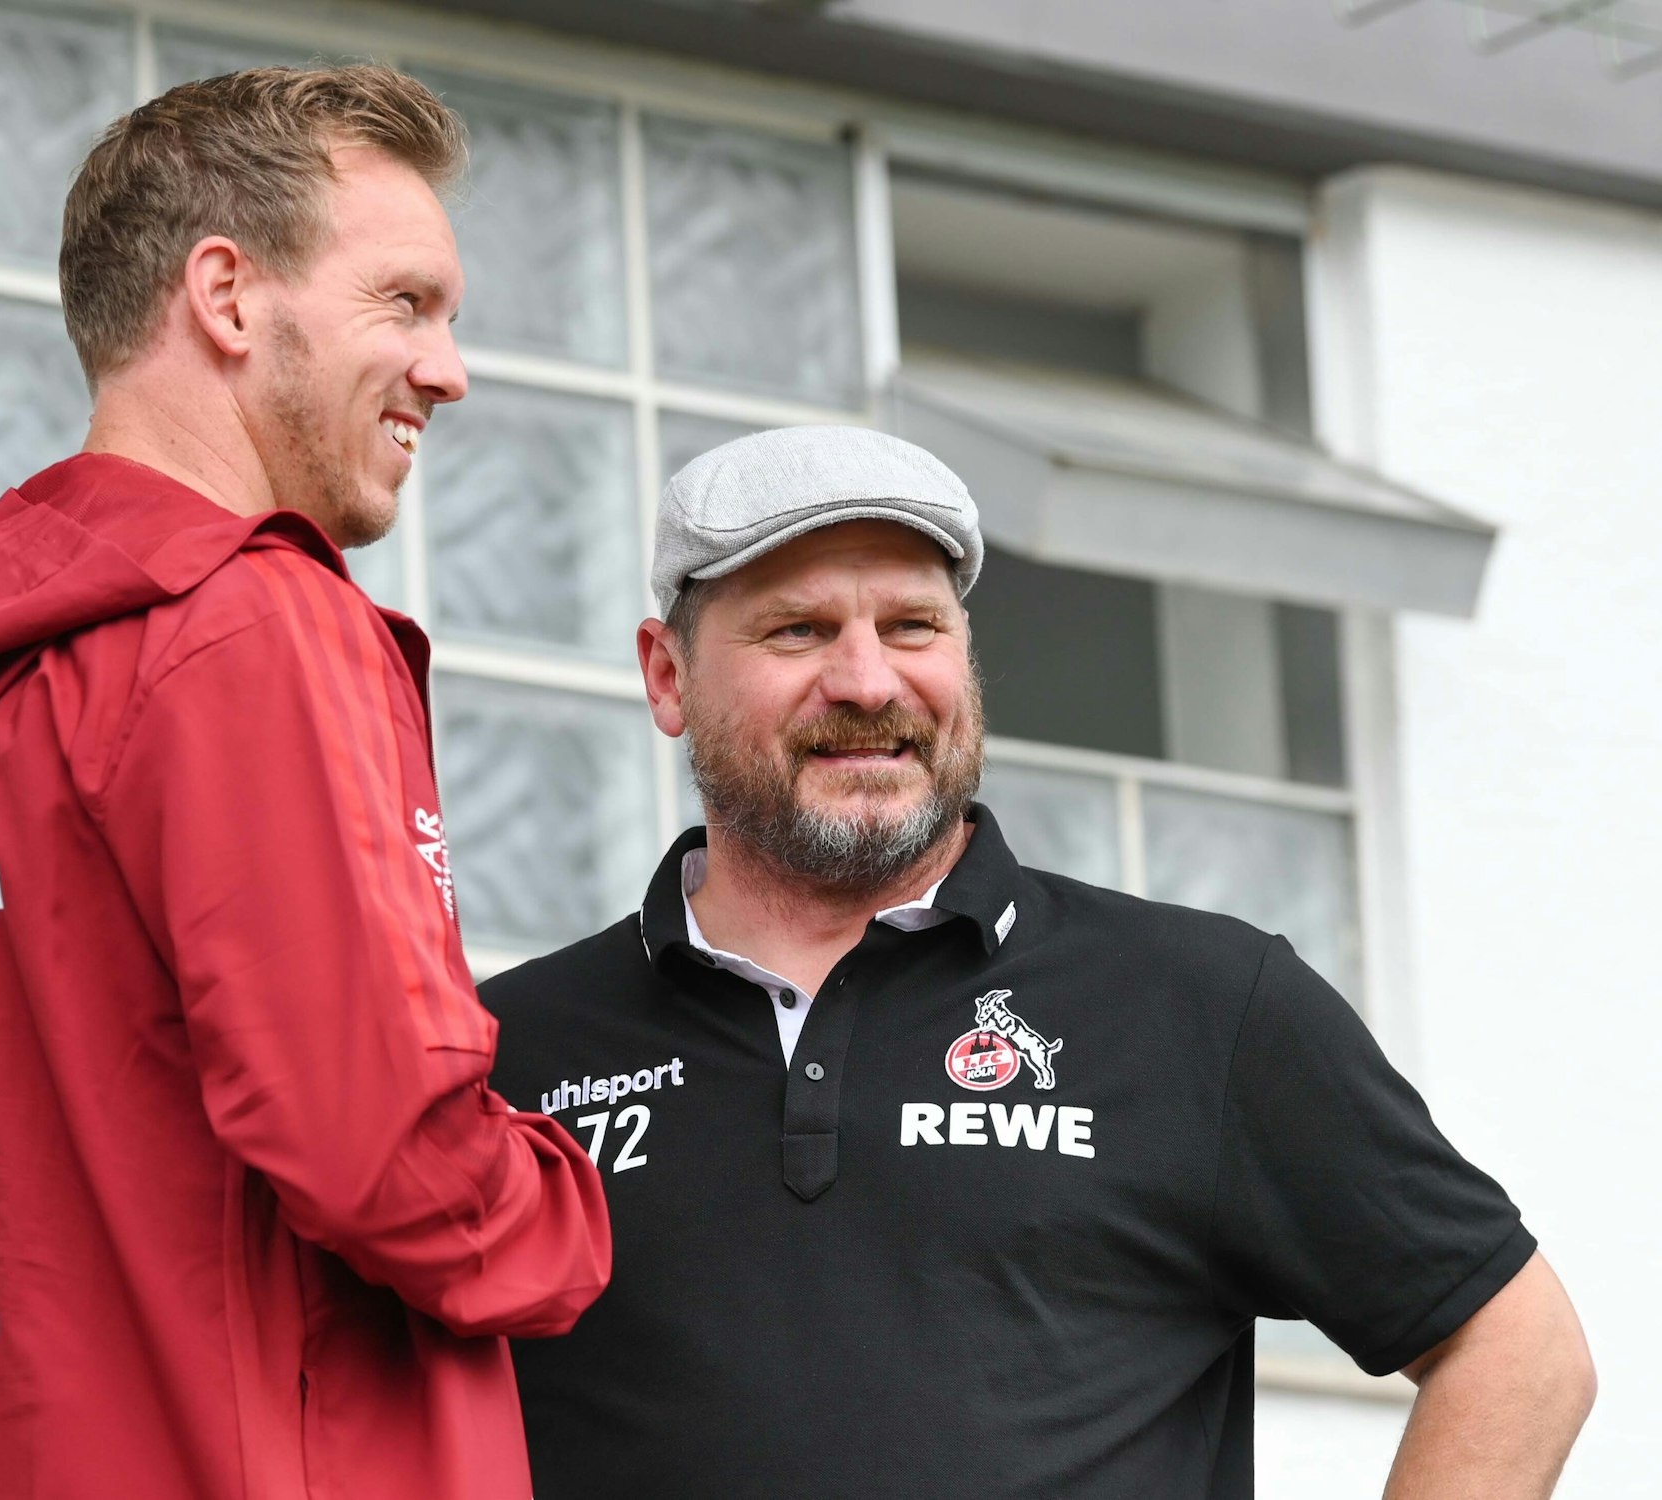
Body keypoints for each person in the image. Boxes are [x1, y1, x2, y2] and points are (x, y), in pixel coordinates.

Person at [0, 67, 610, 1500]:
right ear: (227, 298)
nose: (449, 369)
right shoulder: (252, 625)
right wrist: (585, 1211)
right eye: (404, 304)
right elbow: (381, 1152)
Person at [484, 425, 1594, 1500]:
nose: (867, 682)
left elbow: (1516, 1349)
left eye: (914, 626)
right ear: (666, 676)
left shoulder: (1198, 1005)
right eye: (798, 631)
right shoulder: (508, 1057)